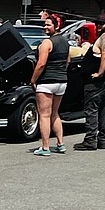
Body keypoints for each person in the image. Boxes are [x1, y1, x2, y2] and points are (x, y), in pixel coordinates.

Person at [74, 17, 105, 151]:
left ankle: (90, 140)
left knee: (91, 108)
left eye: (102, 23)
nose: (99, 26)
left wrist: (100, 73)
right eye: (97, 23)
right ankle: (102, 140)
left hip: (99, 81)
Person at [29, 14, 69, 156]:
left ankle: (45, 147)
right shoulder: (65, 42)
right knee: (55, 113)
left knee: (44, 115)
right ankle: (60, 143)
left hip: (47, 82)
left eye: (48, 25)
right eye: (45, 24)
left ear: (57, 26)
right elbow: (67, 61)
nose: (45, 27)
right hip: (61, 82)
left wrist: (33, 80)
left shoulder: (47, 43)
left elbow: (41, 64)